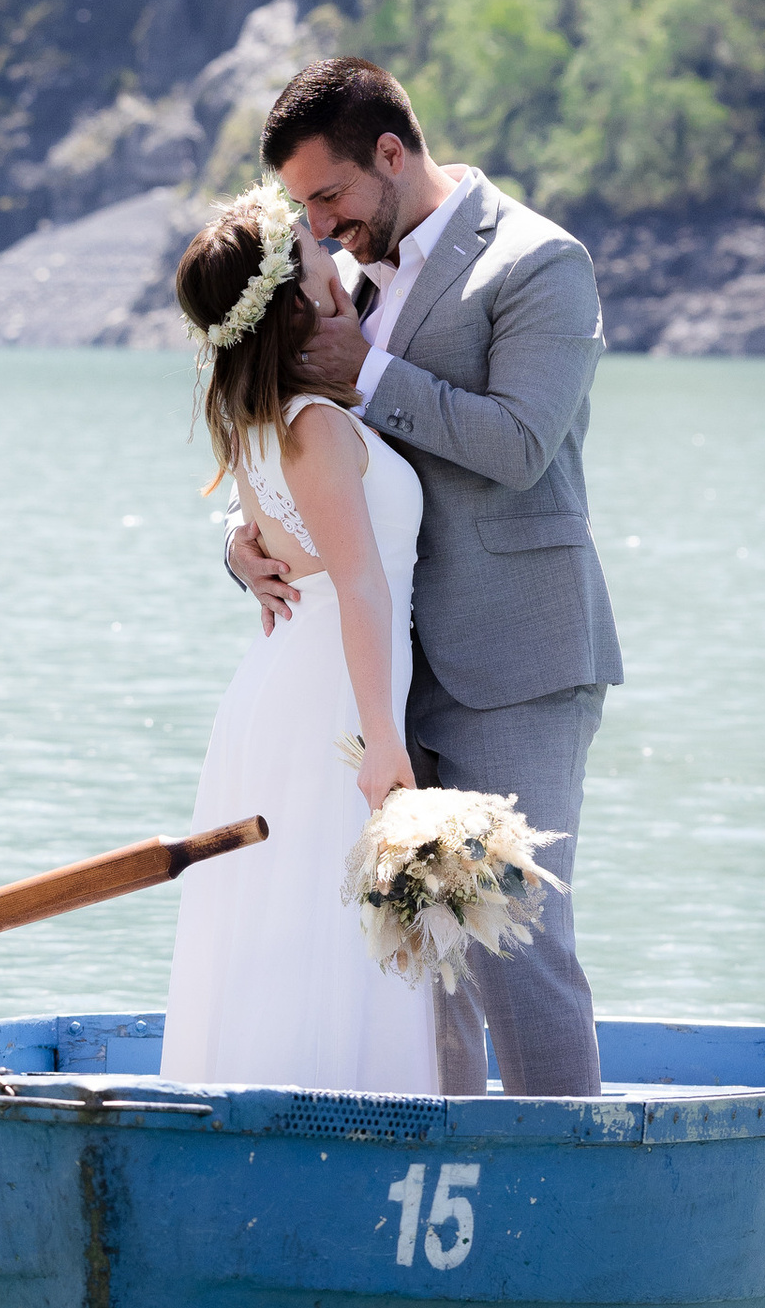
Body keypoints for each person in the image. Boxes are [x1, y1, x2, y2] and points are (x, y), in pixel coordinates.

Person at [230, 58, 622, 1097]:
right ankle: (448, 1183)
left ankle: (564, 1188)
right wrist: (239, 536)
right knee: (413, 957)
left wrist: (362, 367)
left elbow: (519, 443)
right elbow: (322, 454)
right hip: (385, 677)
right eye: (303, 205)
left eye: (327, 196)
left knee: (509, 933)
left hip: (515, 661)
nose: (317, 226)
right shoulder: (344, 273)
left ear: (392, 153)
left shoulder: (541, 265)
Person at [158, 189, 440, 1096]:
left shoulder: (257, 416)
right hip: (330, 693)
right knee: (319, 920)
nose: (335, 266)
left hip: (290, 680)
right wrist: (383, 743)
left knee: (289, 917)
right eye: (318, 264)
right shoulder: (311, 424)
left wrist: (240, 550)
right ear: (290, 301)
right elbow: (359, 584)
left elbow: (284, 539)